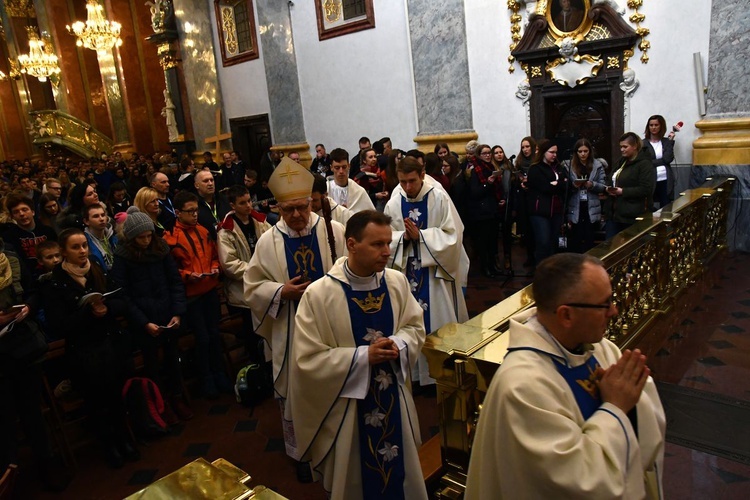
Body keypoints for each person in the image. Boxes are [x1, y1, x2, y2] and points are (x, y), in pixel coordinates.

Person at [464, 253, 665, 499]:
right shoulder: (522, 387)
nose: (614, 310)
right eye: (605, 304)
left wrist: (631, 397)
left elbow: (647, 425)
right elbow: (581, 483)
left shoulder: (601, 348)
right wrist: (616, 407)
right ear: (566, 315)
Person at [291, 211, 428, 500]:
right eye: (377, 244)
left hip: (394, 399)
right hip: (350, 411)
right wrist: (362, 357)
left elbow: (415, 327)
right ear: (351, 244)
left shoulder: (396, 282)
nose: (387, 252)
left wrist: (399, 344)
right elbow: (307, 360)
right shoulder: (319, 295)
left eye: (389, 243)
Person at [243, 158, 346, 475]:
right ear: (278, 207)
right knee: (293, 390)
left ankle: (337, 444)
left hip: (329, 327)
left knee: (333, 384)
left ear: (312, 201)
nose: (298, 215)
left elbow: (350, 270)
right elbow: (252, 286)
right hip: (289, 329)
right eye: (289, 210)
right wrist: (279, 292)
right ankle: (301, 452)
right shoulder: (268, 241)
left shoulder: (333, 231)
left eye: (303, 207)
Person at [38, 228, 137, 469]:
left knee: (115, 397)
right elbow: (59, 324)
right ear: (63, 252)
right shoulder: (54, 283)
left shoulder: (95, 268)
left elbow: (121, 299)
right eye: (75, 247)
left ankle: (125, 439)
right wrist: (89, 312)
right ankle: (109, 445)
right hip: (84, 352)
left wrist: (108, 308)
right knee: (96, 401)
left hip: (110, 344)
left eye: (84, 245)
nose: (82, 251)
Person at [383, 156, 469, 386]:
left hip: (435, 274)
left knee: (439, 322)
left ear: (422, 175)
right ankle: (416, 375)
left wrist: (421, 236)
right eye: (402, 182)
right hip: (406, 271)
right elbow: (385, 237)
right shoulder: (394, 201)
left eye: (412, 181)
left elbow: (454, 236)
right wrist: (403, 237)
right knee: (408, 322)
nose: (407, 187)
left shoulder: (439, 197)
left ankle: (440, 375)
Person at [0, 238, 70, 492]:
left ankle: (47, 464)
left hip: (21, 346)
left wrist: (28, 307)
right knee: (4, 418)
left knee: (32, 412)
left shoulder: (11, 258)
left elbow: (32, 291)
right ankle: (11, 474)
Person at [111, 209, 193, 423]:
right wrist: (144, 322)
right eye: (141, 237)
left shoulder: (161, 248)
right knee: (152, 364)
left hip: (167, 313)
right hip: (144, 319)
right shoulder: (123, 256)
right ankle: (160, 403)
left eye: (149, 235)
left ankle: (177, 397)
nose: (146, 240)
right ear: (131, 237)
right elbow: (124, 295)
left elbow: (174, 281)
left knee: (173, 359)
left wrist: (177, 312)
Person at [164, 191, 229, 399]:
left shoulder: (202, 230)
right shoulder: (171, 237)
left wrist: (215, 267)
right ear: (177, 212)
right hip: (192, 295)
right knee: (202, 338)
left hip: (209, 288)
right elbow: (172, 270)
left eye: (196, 211)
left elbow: (213, 255)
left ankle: (220, 374)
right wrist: (188, 275)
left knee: (214, 334)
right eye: (189, 212)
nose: (194, 215)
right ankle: (206, 378)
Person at [216, 185, 271, 361]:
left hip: (265, 283)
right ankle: (255, 362)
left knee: (267, 329)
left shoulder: (260, 221)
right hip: (243, 289)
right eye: (242, 203)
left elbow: (274, 244)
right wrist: (257, 270)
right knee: (251, 331)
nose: (248, 206)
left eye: (249, 201)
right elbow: (230, 264)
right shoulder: (226, 230)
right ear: (232, 205)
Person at [526, 139, 570, 265]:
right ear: (544, 152)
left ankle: (552, 269)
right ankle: (541, 269)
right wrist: (559, 184)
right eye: (551, 152)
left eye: (556, 152)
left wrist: (558, 184)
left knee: (553, 242)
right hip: (540, 211)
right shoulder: (535, 169)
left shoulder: (559, 167)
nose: (555, 155)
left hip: (556, 211)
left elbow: (568, 184)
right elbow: (544, 188)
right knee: (543, 242)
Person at [605, 132, 656, 239]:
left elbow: (646, 189)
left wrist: (622, 191)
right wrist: (609, 189)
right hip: (615, 214)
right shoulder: (621, 162)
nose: (622, 149)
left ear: (635, 146)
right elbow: (613, 179)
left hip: (632, 216)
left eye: (625, 147)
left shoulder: (644, 164)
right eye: (620, 147)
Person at [465, 145, 506, 277]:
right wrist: (487, 183)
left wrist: (500, 198)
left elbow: (498, 188)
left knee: (493, 241)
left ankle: (493, 266)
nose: (488, 156)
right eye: (484, 154)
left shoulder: (492, 167)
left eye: (489, 153)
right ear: (479, 155)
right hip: (481, 212)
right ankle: (486, 267)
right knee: (484, 242)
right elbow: (474, 192)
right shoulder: (475, 170)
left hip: (492, 209)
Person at [565, 139, 606, 253]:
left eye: (585, 151)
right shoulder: (568, 165)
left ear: (590, 151)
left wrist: (592, 185)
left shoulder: (597, 165)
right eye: (580, 151)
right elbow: (565, 186)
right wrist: (574, 185)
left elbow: (603, 185)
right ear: (576, 152)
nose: (583, 154)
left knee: (589, 236)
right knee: (576, 237)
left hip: (591, 203)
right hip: (575, 204)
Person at [1, 194, 57, 278]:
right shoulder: (8, 237)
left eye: (25, 210)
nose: (21, 214)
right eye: (16, 212)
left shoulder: (48, 231)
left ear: (33, 212)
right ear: (12, 216)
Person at [326, 148, 376, 214]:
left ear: (349, 166)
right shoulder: (326, 190)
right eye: (337, 168)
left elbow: (370, 215)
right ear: (331, 168)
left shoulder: (358, 191)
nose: (341, 171)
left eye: (344, 167)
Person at [643, 115, 676, 208]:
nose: (653, 127)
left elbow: (668, 159)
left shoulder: (666, 142)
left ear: (661, 126)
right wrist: (662, 161)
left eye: (656, 125)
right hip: (650, 178)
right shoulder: (643, 143)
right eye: (651, 125)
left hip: (665, 178)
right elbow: (646, 162)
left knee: (666, 206)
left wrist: (670, 141)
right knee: (649, 206)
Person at [492, 145, 516, 270]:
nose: (499, 154)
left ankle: (507, 257)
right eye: (496, 153)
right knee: (495, 234)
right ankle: (496, 256)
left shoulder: (509, 167)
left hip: (508, 204)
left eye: (501, 152)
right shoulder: (491, 168)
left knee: (507, 234)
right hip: (495, 205)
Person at [515, 136, 537, 267]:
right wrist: (520, 182)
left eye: (527, 146)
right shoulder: (519, 162)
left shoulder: (537, 162)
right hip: (523, 200)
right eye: (523, 147)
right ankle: (530, 257)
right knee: (527, 231)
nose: (525, 149)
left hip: (535, 199)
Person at [194, 169, 230, 240]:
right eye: (205, 181)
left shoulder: (224, 200)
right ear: (196, 185)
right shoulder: (193, 205)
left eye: (212, 180)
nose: (210, 183)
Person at [83, 204, 117, 273]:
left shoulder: (113, 235)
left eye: (103, 215)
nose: (101, 219)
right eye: (96, 216)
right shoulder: (85, 243)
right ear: (86, 221)